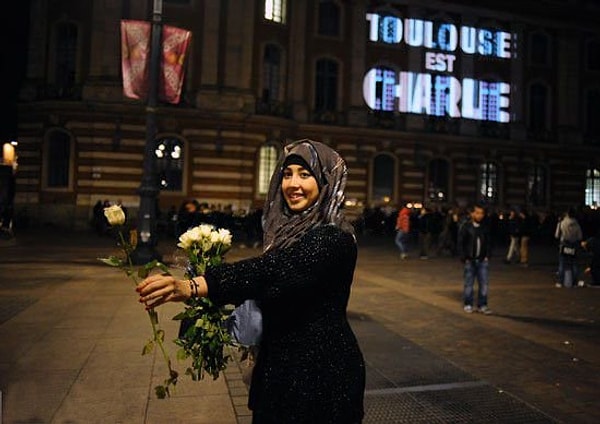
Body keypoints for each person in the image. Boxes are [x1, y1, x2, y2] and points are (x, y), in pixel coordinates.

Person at [136, 139, 366, 423]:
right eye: (287, 173)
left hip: (321, 376)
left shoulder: (334, 238)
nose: (292, 184)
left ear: (327, 181)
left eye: (305, 175)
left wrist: (192, 286)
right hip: (279, 367)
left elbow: (269, 271)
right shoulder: (286, 232)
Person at [457, 202, 493, 314]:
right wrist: (464, 257)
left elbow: (489, 243)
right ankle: (468, 304)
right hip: (470, 260)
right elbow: (461, 243)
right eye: (477, 213)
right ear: (472, 214)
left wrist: (487, 255)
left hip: (482, 260)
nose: (480, 215)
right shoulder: (466, 227)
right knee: (469, 284)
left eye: (481, 213)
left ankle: (482, 305)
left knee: (484, 284)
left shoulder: (485, 227)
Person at [554, 207, 583, 288]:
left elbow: (557, 235)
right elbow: (580, 236)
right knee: (574, 264)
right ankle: (574, 282)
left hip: (564, 245)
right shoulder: (577, 224)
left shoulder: (562, 223)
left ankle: (560, 282)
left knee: (562, 264)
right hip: (573, 245)